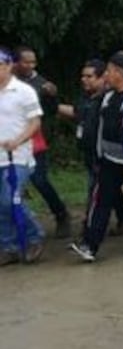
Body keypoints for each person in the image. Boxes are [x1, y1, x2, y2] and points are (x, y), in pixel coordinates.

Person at [71, 52, 123, 262]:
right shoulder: (107, 97)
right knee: (101, 200)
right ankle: (90, 244)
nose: (106, 75)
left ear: (121, 72)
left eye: (109, 71)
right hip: (109, 159)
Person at [58, 59, 123, 235]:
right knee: (109, 189)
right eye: (83, 76)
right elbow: (77, 113)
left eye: (89, 76)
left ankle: (90, 230)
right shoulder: (86, 97)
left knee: (97, 190)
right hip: (90, 152)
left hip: (109, 154)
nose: (84, 80)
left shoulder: (108, 99)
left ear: (101, 78)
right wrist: (53, 105)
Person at [13, 46, 70, 239]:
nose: (31, 65)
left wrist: (52, 97)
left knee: (39, 180)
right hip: (8, 140)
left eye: (33, 62)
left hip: (33, 139)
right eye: (26, 62)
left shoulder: (40, 84)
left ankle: (61, 214)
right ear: (16, 63)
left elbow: (50, 111)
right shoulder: (7, 81)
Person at [0, 47, 47, 264]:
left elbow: (35, 122)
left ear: (10, 65)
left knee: (10, 200)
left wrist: (18, 140)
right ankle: (8, 246)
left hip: (18, 156)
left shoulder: (24, 91)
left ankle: (34, 235)